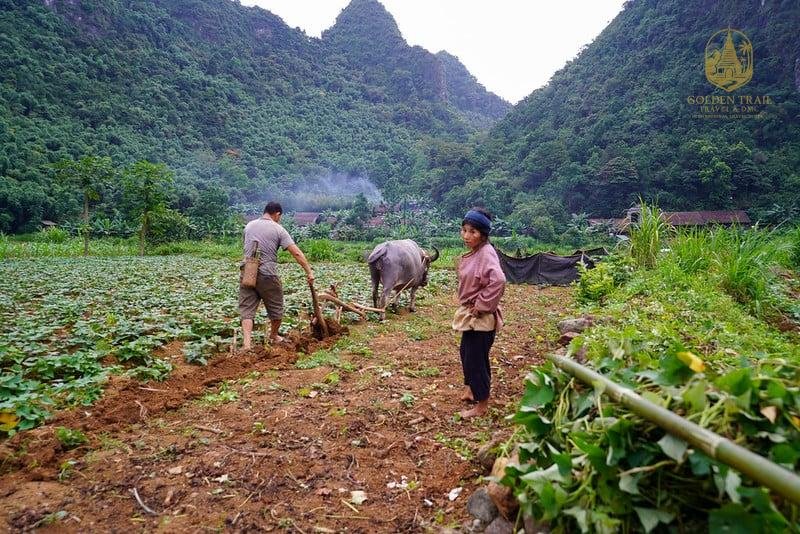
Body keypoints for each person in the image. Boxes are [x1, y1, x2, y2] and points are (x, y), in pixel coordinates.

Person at [452, 207, 506, 418]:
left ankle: (481, 405)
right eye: (464, 230)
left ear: (483, 234)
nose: (466, 236)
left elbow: (498, 280)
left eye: (473, 232)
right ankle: (470, 388)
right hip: (472, 316)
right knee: (466, 352)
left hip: (481, 318)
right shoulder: (477, 252)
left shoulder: (486, 253)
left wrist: (482, 304)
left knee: (476, 359)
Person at [240, 201, 314, 349]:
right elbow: (296, 253)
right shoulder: (278, 229)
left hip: (247, 271)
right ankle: (273, 335)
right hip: (268, 274)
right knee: (276, 307)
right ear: (277, 214)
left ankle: (246, 344)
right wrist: (309, 271)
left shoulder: (249, 226)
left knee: (247, 309)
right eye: (280, 216)